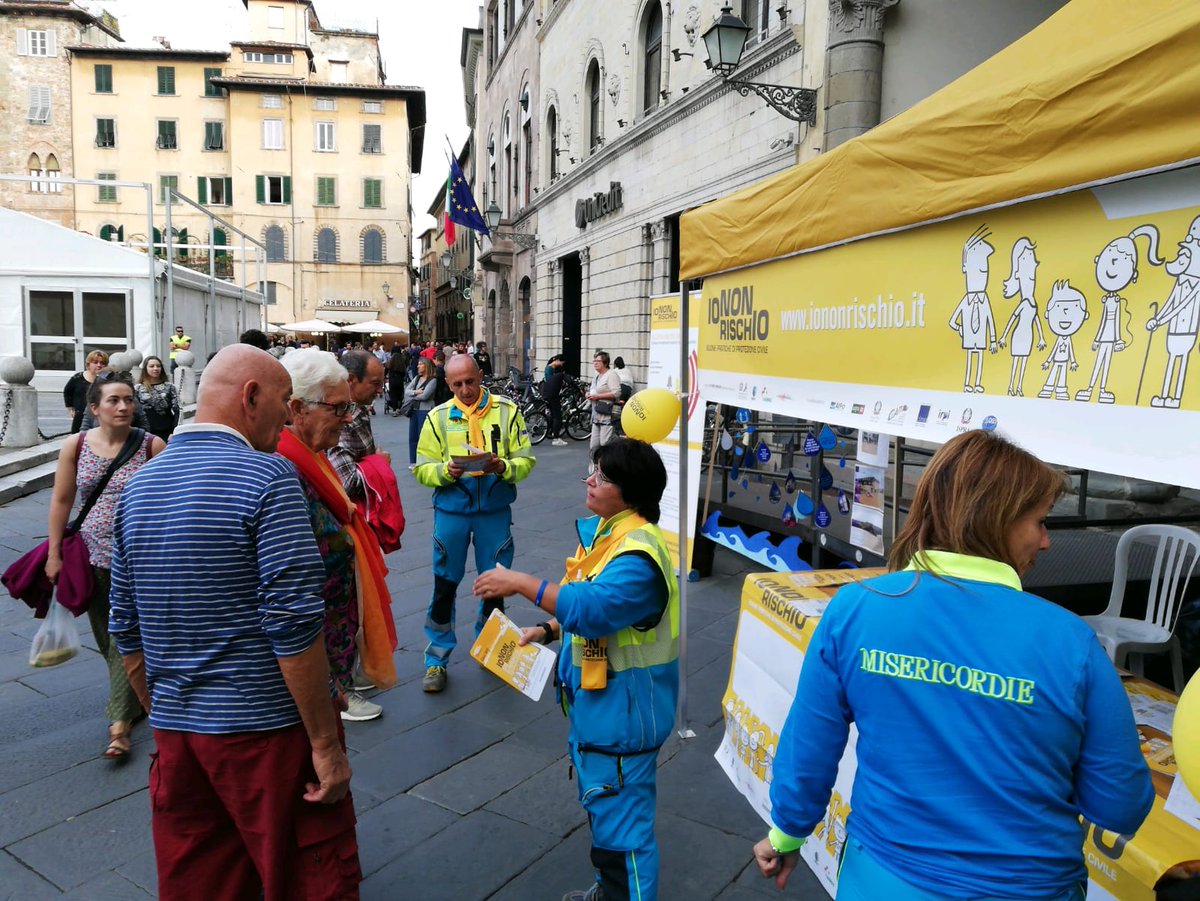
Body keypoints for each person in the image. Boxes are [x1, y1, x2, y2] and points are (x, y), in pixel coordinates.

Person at [751, 429, 1153, 901]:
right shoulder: (1072, 643)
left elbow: (809, 747)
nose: (1045, 542)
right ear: (996, 520)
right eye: (1040, 522)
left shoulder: (855, 610)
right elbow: (1120, 805)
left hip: (881, 878)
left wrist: (787, 835)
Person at [108, 345, 359, 900]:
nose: (287, 418)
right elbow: (293, 627)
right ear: (250, 397)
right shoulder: (269, 478)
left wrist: (171, 708)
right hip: (266, 732)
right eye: (283, 404)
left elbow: (125, 630)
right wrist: (325, 747)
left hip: (178, 734)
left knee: (202, 879)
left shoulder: (139, 486)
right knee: (301, 876)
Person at [472, 438, 678, 901]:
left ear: (630, 491)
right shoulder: (612, 534)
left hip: (624, 717)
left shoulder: (638, 555)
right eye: (593, 470)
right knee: (606, 817)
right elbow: (584, 605)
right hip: (603, 710)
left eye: (602, 476)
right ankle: (608, 892)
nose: (590, 480)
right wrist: (546, 630)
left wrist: (520, 582)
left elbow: (595, 608)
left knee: (625, 839)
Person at [46, 376, 164, 759]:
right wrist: (54, 553)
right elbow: (62, 500)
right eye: (113, 400)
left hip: (141, 560)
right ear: (94, 408)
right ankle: (133, 696)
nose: (123, 407)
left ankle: (119, 725)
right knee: (106, 637)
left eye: (129, 400)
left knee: (124, 637)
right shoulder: (75, 446)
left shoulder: (151, 446)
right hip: (91, 557)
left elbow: (167, 501)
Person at [278, 349, 397, 723]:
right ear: (298, 408)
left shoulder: (308, 453)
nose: (347, 419)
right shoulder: (281, 469)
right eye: (337, 409)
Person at [413, 354, 535, 693]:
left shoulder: (508, 411)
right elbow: (422, 467)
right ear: (448, 385)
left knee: (496, 585)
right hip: (451, 512)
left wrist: (503, 468)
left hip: (494, 512)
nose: (466, 389)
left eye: (471, 381)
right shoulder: (437, 417)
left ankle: (492, 649)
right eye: (457, 384)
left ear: (481, 375)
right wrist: (444, 472)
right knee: (444, 585)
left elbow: (526, 460)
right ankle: (436, 660)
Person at [327, 350, 389, 503]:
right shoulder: (344, 419)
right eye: (375, 383)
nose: (380, 390)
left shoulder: (359, 410)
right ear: (351, 379)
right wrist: (380, 464)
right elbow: (346, 483)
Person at [587, 351, 622, 466]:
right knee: (594, 446)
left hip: (607, 414)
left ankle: (608, 468)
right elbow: (593, 390)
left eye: (598, 361)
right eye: (594, 361)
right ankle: (595, 472)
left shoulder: (611, 374)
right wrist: (589, 394)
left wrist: (598, 396)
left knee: (605, 443)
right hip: (596, 414)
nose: (595, 363)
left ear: (605, 362)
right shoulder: (597, 376)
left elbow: (616, 393)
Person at [134, 355, 179, 441]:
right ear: (145, 369)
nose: (156, 368)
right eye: (152, 366)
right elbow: (135, 412)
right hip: (145, 433)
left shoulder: (170, 387)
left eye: (158, 366)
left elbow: (178, 410)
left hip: (167, 432)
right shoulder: (138, 388)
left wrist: (175, 432)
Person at [63, 350, 108, 433]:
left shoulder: (107, 380)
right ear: (88, 364)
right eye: (95, 362)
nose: (99, 365)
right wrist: (70, 408)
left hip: (100, 416)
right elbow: (67, 391)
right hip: (80, 415)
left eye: (102, 363)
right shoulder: (78, 377)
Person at [405, 357, 438, 466]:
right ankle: (413, 461)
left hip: (425, 410)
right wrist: (416, 392)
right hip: (414, 410)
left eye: (420, 364)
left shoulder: (432, 380)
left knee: (423, 436)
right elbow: (407, 391)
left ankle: (424, 460)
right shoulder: (417, 378)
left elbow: (425, 396)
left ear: (426, 365)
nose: (418, 366)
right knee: (412, 437)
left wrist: (413, 395)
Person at [544, 354, 568, 446]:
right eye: (561, 363)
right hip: (552, 394)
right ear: (557, 360)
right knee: (557, 416)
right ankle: (556, 437)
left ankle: (551, 432)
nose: (562, 364)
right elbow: (551, 381)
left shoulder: (550, 368)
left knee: (553, 415)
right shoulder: (550, 369)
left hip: (548, 393)